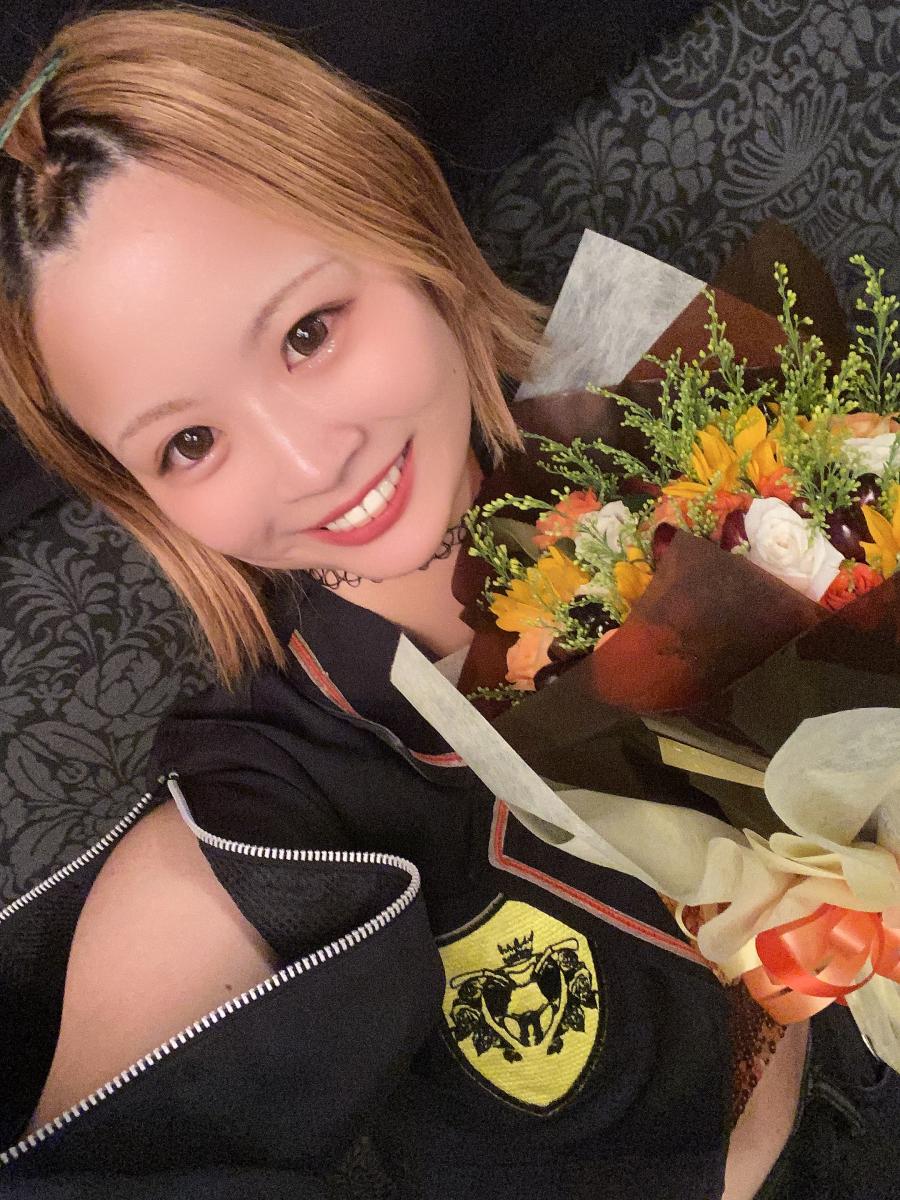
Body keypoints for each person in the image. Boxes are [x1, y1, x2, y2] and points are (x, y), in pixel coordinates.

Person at [0, 7, 895, 1199]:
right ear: (141, 495)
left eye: (307, 333)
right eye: (191, 442)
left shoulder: (706, 416)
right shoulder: (270, 823)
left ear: (402, 230)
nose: (308, 463)